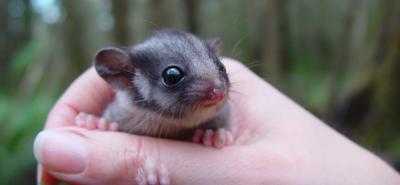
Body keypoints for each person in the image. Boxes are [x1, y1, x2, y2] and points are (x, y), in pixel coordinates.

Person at [33, 58, 400, 185]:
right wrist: (95, 125)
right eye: (174, 75)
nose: (218, 90)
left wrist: (215, 133)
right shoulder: (120, 111)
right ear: (125, 78)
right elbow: (108, 120)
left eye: (219, 69)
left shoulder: (219, 120)